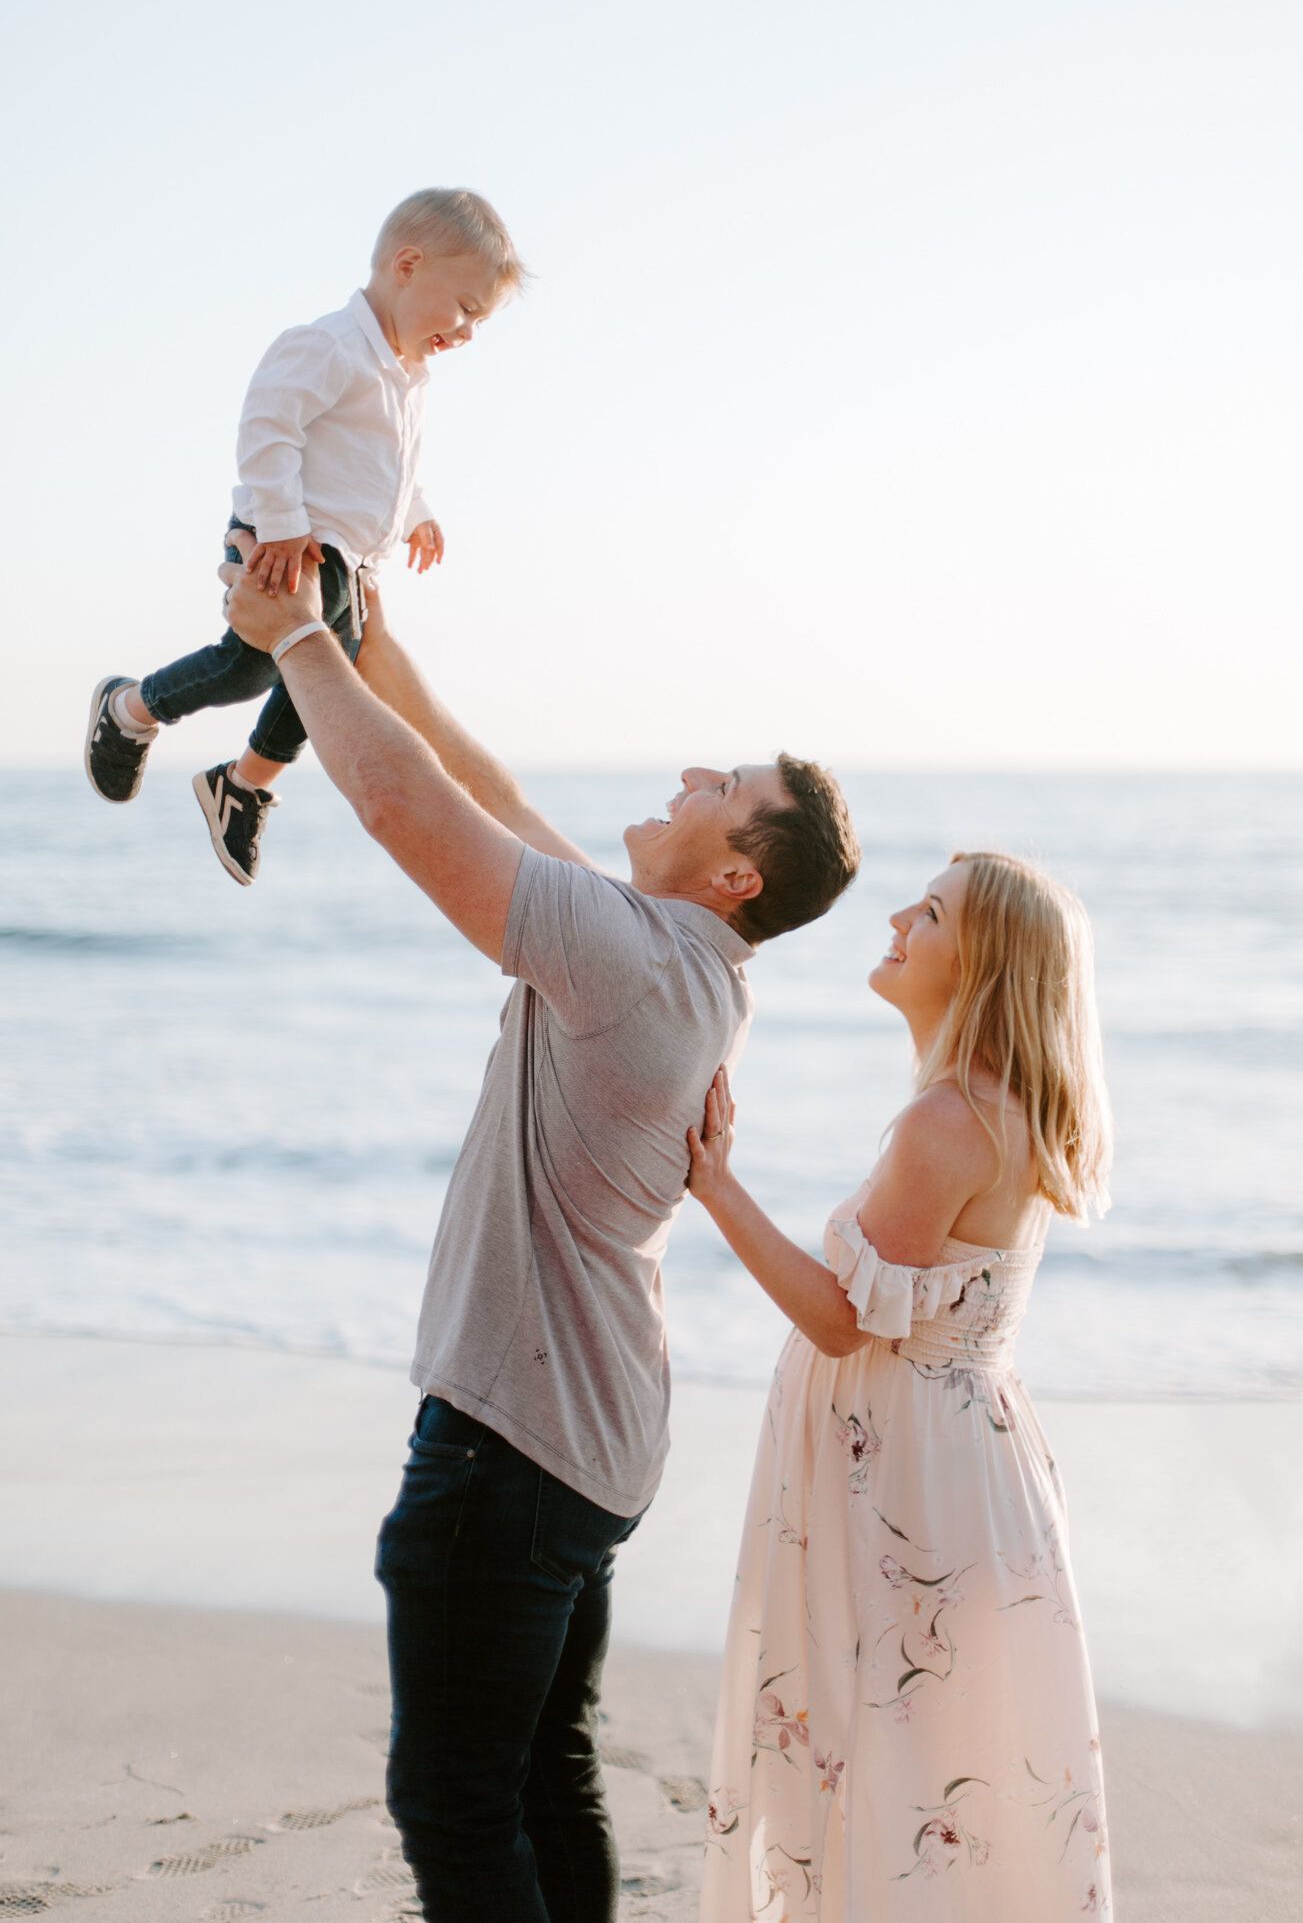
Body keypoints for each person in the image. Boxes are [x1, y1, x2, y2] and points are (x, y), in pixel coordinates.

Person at [218, 554, 862, 1922]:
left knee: (455, 1808)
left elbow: (400, 808)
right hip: (593, 1441)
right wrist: (369, 642)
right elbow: (485, 795)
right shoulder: (676, 963)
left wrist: (292, 647)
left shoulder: (626, 957)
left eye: (723, 787)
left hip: (512, 1448)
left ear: (737, 872)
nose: (691, 771)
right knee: (541, 1776)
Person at [685, 851, 1114, 1920]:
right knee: (949, 1753)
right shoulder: (1005, 1109)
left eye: (927, 911)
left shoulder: (945, 1123)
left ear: (982, 962)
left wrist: (713, 1182)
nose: (894, 917)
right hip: (970, 1459)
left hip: (906, 1476)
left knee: (882, 1740)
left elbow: (838, 1316)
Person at [84, 187, 523, 885]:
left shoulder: (408, 376)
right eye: (466, 309)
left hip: (342, 559)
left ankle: (243, 785)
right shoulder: (329, 346)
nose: (467, 332)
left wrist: (417, 514)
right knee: (248, 667)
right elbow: (267, 430)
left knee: (328, 687)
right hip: (281, 537)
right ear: (407, 265)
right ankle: (129, 708)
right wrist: (282, 528)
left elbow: (389, 466)